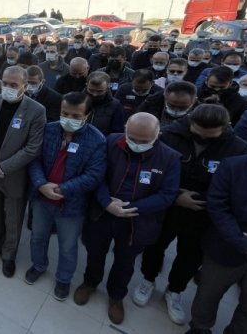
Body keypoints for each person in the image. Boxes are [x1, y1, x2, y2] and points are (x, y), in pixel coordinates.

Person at [134, 105, 247, 326]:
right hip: (166, 206)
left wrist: (202, 200)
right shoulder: (169, 135)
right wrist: (176, 195)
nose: (202, 139)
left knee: (190, 255)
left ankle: (175, 290)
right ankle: (148, 279)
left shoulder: (238, 148)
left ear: (224, 128)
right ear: (190, 122)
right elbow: (151, 169)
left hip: (204, 214)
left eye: (211, 136)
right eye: (198, 132)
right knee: (154, 246)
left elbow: (237, 187)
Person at [74, 113, 180, 325]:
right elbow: (97, 175)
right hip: (103, 212)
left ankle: (115, 297)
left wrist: (131, 208)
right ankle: (90, 283)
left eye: (144, 141)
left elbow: (168, 195)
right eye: (132, 138)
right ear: (125, 130)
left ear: (157, 135)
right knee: (95, 252)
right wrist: (106, 202)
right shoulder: (111, 142)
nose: (137, 144)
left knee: (125, 262)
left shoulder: (170, 157)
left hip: (137, 220)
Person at [186, 125, 247, 334]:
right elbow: (217, 205)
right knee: (207, 295)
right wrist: (244, 243)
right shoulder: (235, 166)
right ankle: (200, 328)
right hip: (226, 248)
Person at [25, 92, 107, 301]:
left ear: (87, 116)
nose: (68, 119)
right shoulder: (49, 130)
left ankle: (63, 278)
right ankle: (39, 265)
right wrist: (41, 184)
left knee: (68, 246)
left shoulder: (97, 140)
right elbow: (34, 159)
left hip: (71, 205)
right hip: (42, 198)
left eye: (76, 116)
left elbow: (94, 175)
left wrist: (63, 189)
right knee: (38, 237)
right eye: (65, 113)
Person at [0, 66, 46, 278]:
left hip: (12, 176)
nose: (8, 88)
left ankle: (9, 254)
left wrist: (2, 167)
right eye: (5, 83)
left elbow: (32, 148)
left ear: (25, 85)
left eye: (14, 85)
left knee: (13, 219)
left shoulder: (36, 110)